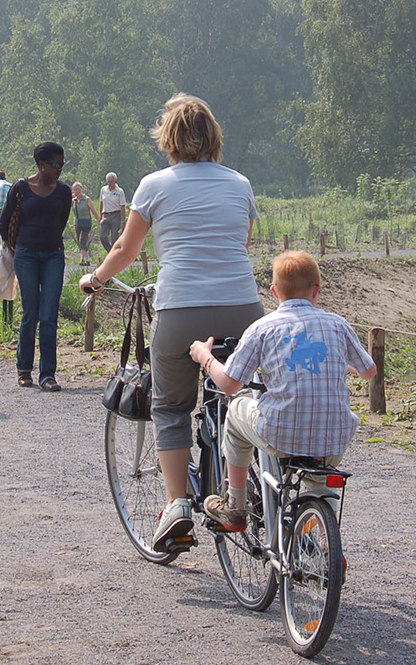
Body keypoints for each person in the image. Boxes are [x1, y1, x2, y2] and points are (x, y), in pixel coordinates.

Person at [80, 94, 263, 552]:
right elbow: (243, 240)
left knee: (170, 407)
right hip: (243, 307)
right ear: (215, 136)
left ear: (169, 140)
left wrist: (96, 278)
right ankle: (249, 488)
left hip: (182, 309)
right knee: (243, 395)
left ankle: (176, 506)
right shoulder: (240, 183)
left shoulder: (154, 184)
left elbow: (125, 250)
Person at [188, 251, 377, 531]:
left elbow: (229, 385)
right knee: (320, 484)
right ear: (317, 290)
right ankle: (323, 546)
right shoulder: (338, 325)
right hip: (336, 434)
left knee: (237, 410)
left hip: (280, 432)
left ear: (274, 291)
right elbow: (368, 371)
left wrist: (205, 357)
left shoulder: (263, 328)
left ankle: (235, 504)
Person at [0, 142, 72, 392]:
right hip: (26, 255)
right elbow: (3, 223)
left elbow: (61, 222)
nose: (60, 169)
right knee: (30, 313)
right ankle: (24, 369)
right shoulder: (20, 188)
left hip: (53, 254)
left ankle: (48, 374)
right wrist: (16, 249)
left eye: (62, 164)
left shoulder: (63, 192)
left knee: (49, 316)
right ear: (42, 165)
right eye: (55, 164)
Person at [98, 172, 128, 250]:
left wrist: (123, 221)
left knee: (114, 238)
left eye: (111, 182)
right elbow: (101, 203)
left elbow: (122, 206)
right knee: (102, 236)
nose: (109, 184)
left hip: (116, 215)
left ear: (115, 181)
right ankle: (111, 251)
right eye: (108, 182)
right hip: (106, 215)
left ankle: (114, 255)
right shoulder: (103, 190)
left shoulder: (120, 191)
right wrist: (101, 216)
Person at [71, 182, 99, 264]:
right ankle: (87, 259)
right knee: (80, 241)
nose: (77, 190)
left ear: (82, 189)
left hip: (86, 222)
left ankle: (82, 259)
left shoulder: (87, 199)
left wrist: (99, 220)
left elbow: (94, 211)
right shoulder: (74, 201)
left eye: (79, 189)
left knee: (82, 240)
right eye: (76, 189)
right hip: (77, 222)